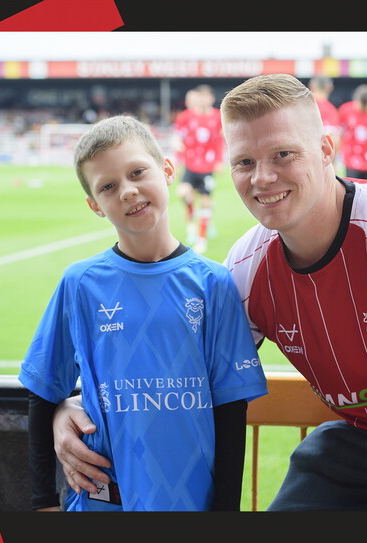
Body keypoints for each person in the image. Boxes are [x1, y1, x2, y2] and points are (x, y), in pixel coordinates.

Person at [53, 74, 367, 512]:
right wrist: (71, 408)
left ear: (324, 151)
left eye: (282, 155)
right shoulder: (247, 269)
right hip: (366, 440)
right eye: (244, 162)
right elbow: (181, 379)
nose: (263, 178)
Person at [19, 114, 268, 511]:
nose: (129, 191)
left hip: (190, 503)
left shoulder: (213, 284)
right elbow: (44, 392)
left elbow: (230, 409)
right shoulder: (80, 284)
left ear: (167, 170)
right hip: (102, 503)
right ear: (94, 205)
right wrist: (43, 502)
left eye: (137, 172)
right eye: (109, 186)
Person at [173, 84, 223, 254]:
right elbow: (178, 138)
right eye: (199, 97)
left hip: (207, 168)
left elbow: (219, 140)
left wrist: (219, 160)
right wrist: (178, 159)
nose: (201, 100)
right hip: (190, 165)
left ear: (210, 99)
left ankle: (201, 239)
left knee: (205, 201)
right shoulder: (186, 117)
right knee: (182, 193)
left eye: (205, 97)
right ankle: (192, 219)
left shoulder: (217, 117)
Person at [309, 75, 341, 151]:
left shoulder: (301, 105)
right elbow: (334, 140)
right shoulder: (331, 110)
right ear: (330, 88)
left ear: (311, 85)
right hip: (321, 157)